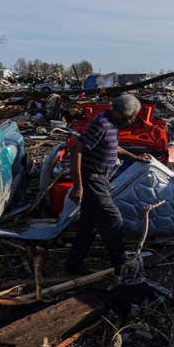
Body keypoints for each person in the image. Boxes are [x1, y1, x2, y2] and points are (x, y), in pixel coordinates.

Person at [65, 94, 150, 275]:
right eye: (130, 118)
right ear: (121, 114)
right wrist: (78, 185)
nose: (131, 121)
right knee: (113, 219)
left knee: (88, 224)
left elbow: (113, 147)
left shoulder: (111, 123)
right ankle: (120, 264)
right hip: (93, 178)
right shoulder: (102, 124)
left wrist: (136, 158)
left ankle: (73, 264)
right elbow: (76, 148)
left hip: (100, 178)